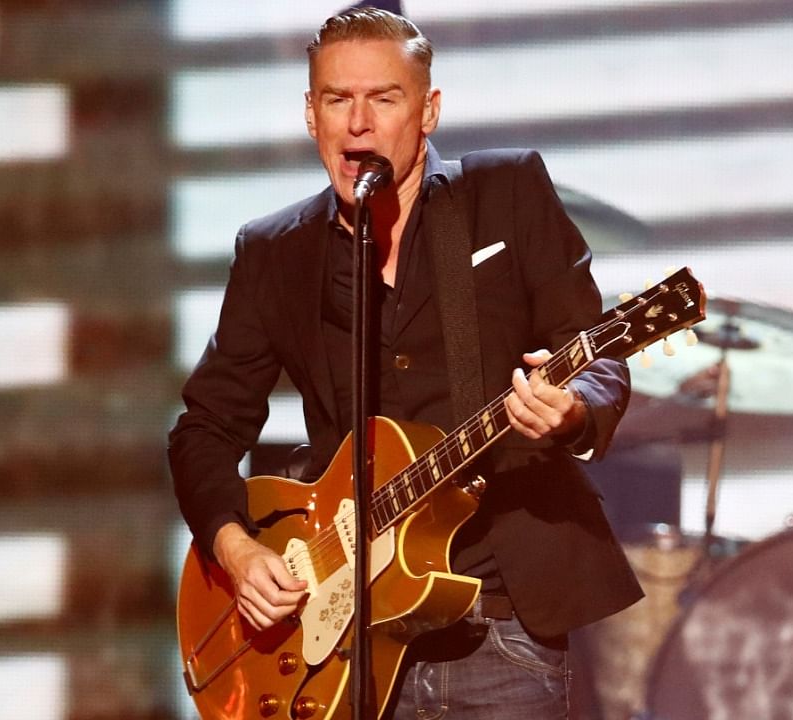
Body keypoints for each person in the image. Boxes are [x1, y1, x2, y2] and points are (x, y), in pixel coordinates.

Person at [167, 8, 642, 719]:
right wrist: (235, 549)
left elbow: (595, 353)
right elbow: (204, 428)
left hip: (499, 621)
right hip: (342, 641)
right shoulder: (273, 252)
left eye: (384, 98)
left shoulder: (506, 192)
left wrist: (572, 414)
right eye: (337, 99)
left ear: (428, 110)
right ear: (310, 115)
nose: (358, 123)